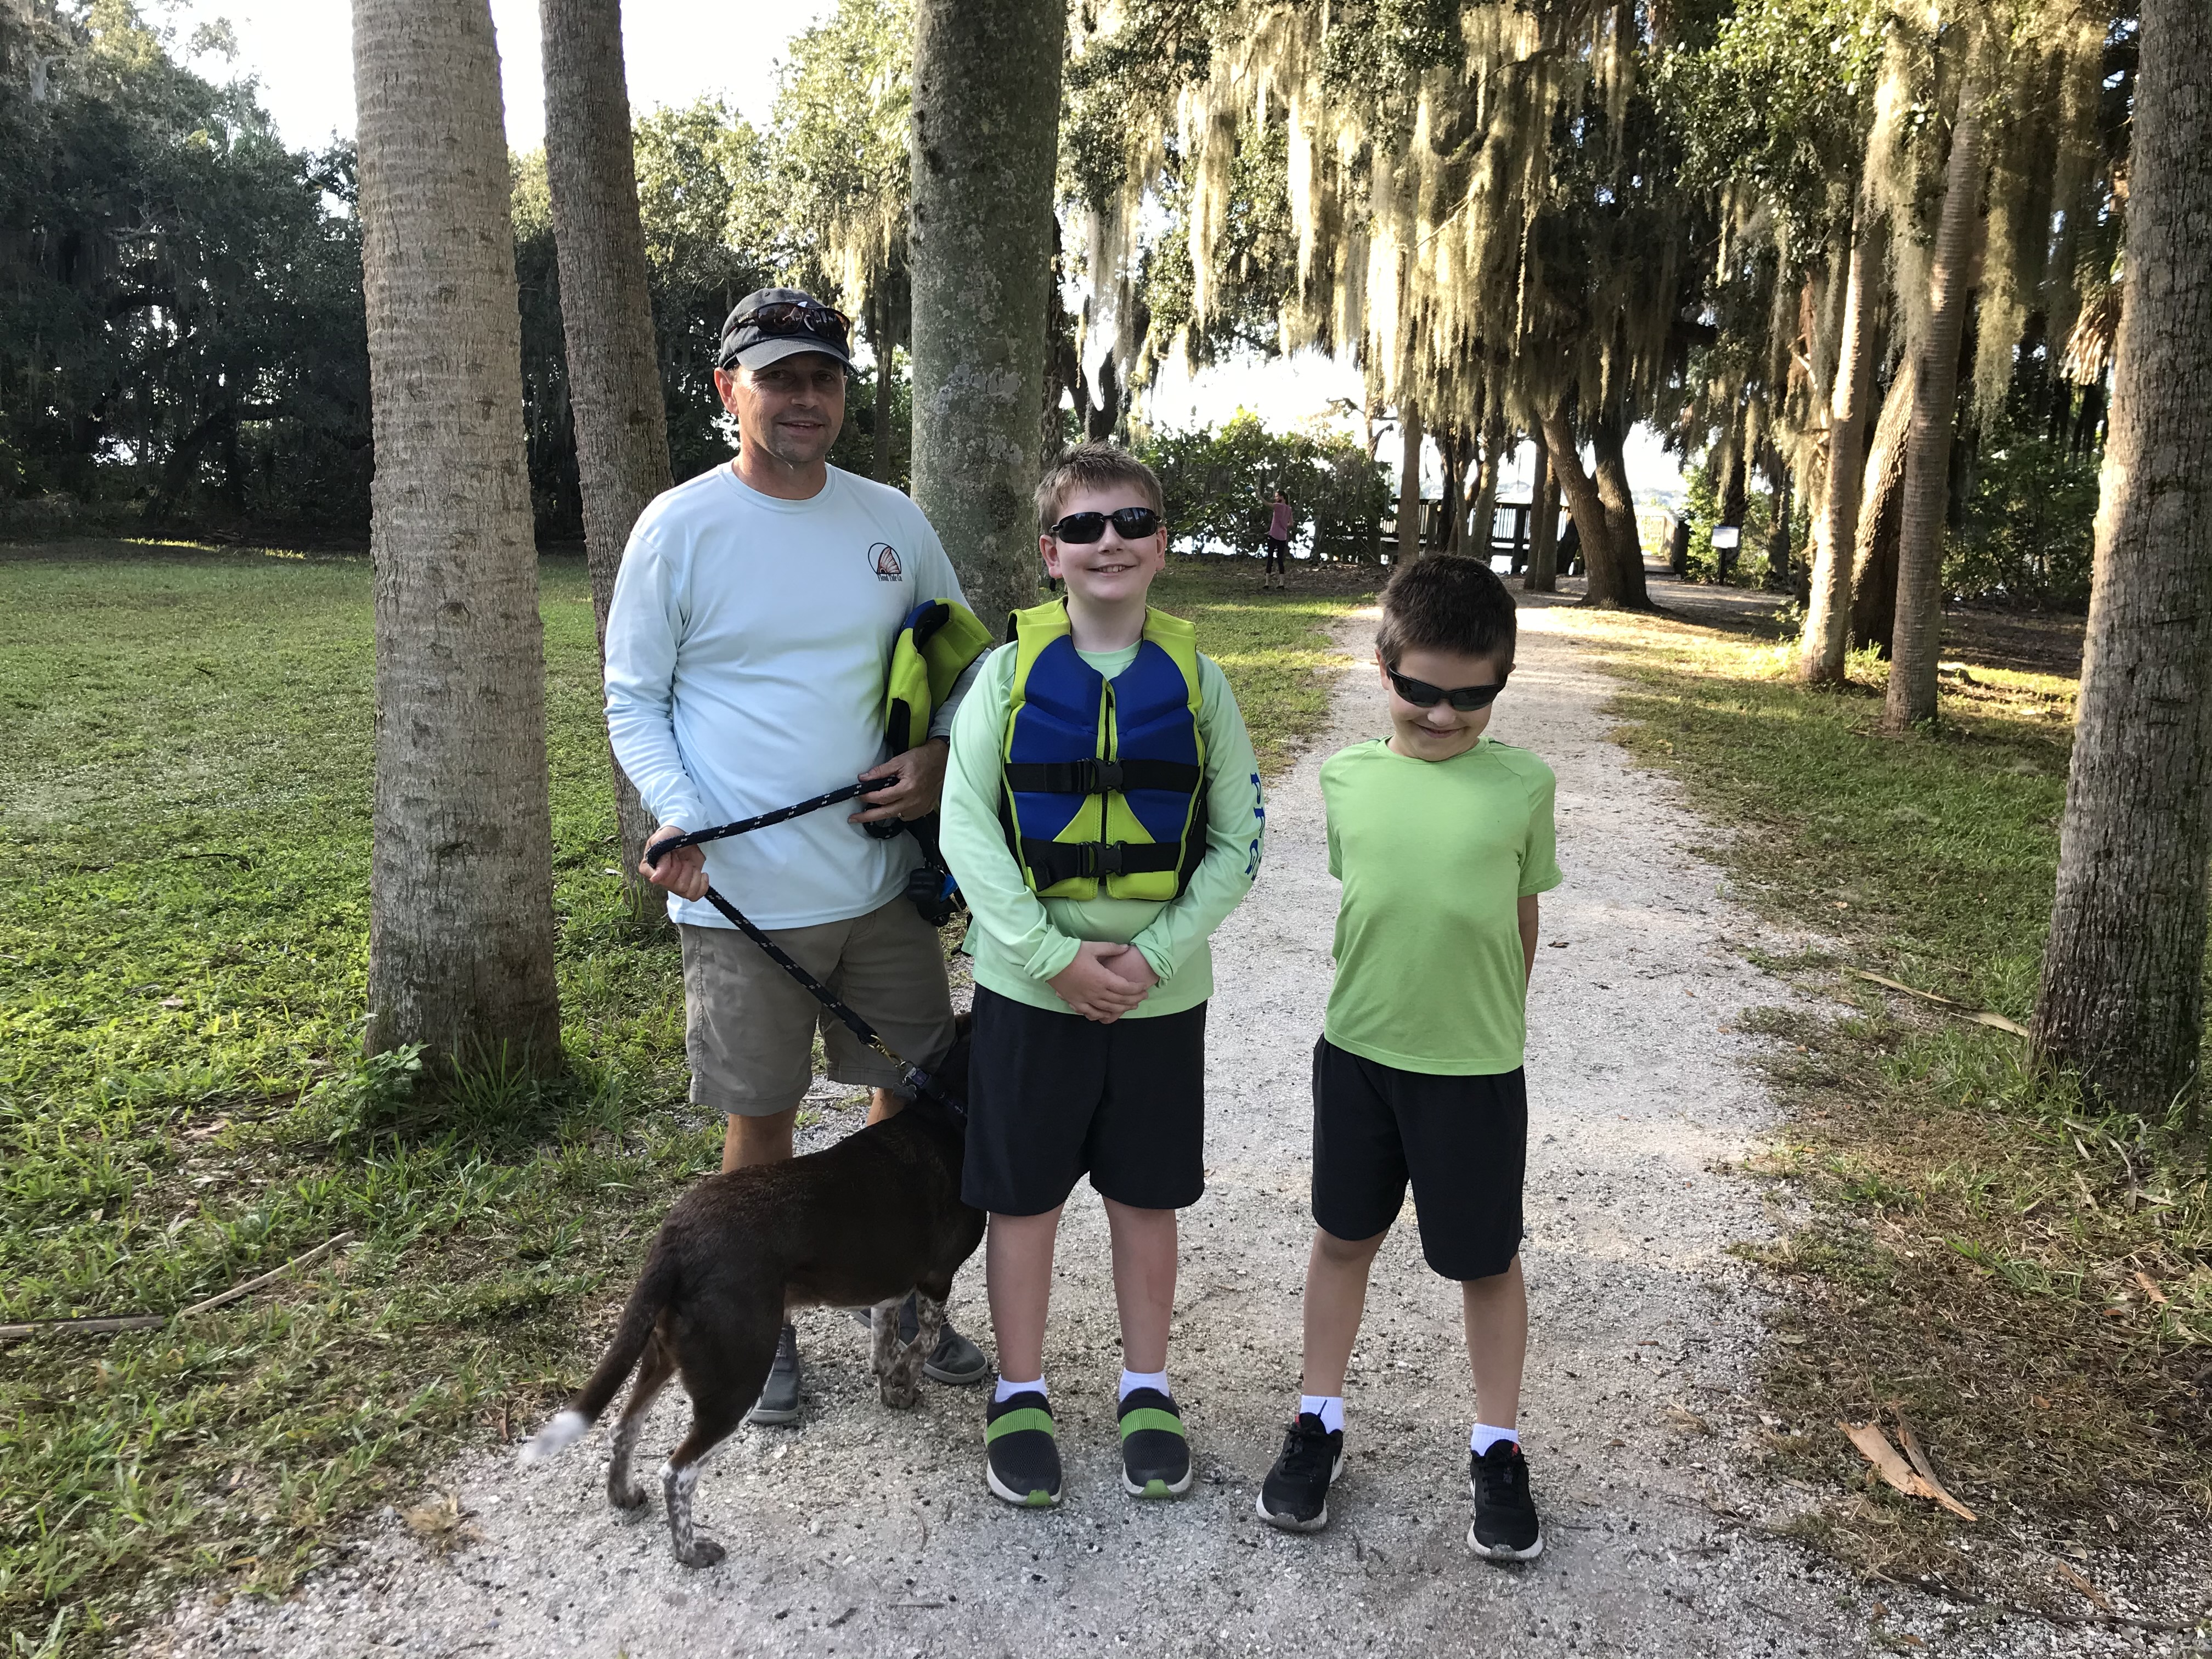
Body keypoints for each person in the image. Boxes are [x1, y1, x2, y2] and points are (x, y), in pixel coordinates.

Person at [602, 286, 991, 1425]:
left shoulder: (893, 522)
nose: (805, 398)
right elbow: (635, 699)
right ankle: (757, 1319)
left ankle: (903, 1307)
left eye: (823, 377)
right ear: (731, 390)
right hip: (741, 898)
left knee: (910, 1109)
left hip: (881, 885)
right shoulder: (678, 526)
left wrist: (938, 756)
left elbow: (966, 665)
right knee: (760, 1119)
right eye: (779, 378)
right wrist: (677, 816)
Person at [938, 442, 1266, 1508]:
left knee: (1145, 1195)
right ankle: (1019, 1389)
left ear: (1161, 545)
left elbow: (1239, 841)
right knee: (1022, 1200)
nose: (1108, 542)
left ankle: (1146, 1385)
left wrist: (1154, 953)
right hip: (1028, 992)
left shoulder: (1201, 684)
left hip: (1159, 995)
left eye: (1130, 522)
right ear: (1051, 553)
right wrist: (1053, 957)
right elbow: (965, 828)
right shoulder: (1006, 677)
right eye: (1083, 527)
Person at [1256, 553, 1560, 1562]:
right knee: (1343, 1236)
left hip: (1474, 1071)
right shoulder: (1345, 778)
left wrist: (1490, 1022)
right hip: (1358, 1054)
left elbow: (1519, 914)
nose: (1442, 714)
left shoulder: (1523, 784)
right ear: (1382, 668)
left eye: (1472, 696)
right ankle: (1317, 1417)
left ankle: (1496, 1443)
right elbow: (1372, 897)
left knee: (1485, 1259)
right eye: (1422, 689)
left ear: (1501, 682)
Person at [1263, 488, 1294, 589]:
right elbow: (1291, 524)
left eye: (1276, 496)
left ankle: (1267, 583)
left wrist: (1258, 496)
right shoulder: (1289, 509)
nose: (1275, 498)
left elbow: (1267, 504)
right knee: (1280, 559)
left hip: (1273, 535)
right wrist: (1284, 525)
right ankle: (1281, 583)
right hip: (1283, 537)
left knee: (1270, 558)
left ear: (1281, 497)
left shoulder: (1278, 506)